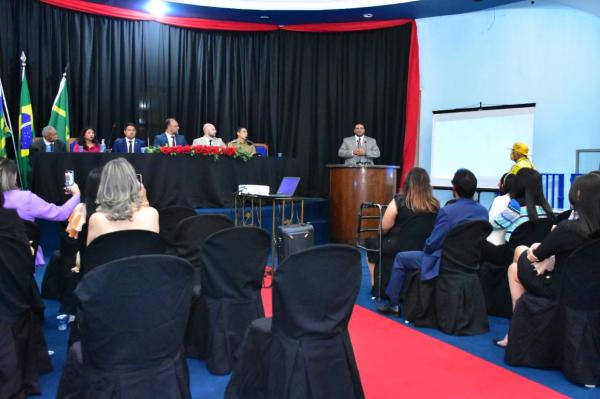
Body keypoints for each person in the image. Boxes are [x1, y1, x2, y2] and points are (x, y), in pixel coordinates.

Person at [495, 172, 600, 348]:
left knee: (515, 266)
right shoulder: (552, 213)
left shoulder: (568, 227)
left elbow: (535, 255)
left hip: (562, 287)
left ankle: (514, 331)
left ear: (579, 195)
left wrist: (538, 246)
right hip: (590, 289)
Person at [377, 168, 488, 315]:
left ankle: (393, 303)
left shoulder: (448, 212)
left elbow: (432, 244)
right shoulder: (483, 211)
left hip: (445, 261)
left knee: (401, 258)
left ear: (454, 188)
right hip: (471, 262)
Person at [365, 167, 439, 290]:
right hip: (424, 245)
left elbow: (384, 228)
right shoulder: (435, 204)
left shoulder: (399, 201)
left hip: (399, 246)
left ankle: (376, 284)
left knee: (372, 243)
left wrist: (380, 230)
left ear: (408, 183)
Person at [1, 157, 80, 265]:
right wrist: (76, 195)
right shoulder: (26, 199)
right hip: (22, 256)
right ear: (13, 177)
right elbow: (60, 214)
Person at [483, 168, 553, 265]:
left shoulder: (515, 207)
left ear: (518, 185)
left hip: (513, 258)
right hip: (537, 258)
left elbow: (496, 224)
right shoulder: (546, 209)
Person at [86, 158, 158, 246]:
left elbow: (90, 257)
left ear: (104, 185)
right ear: (133, 182)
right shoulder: (151, 214)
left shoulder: (96, 219)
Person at [486, 173, 516, 245]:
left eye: (500, 182)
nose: (498, 185)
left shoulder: (499, 200)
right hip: (510, 246)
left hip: (493, 244)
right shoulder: (518, 202)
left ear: (504, 185)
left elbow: (490, 222)